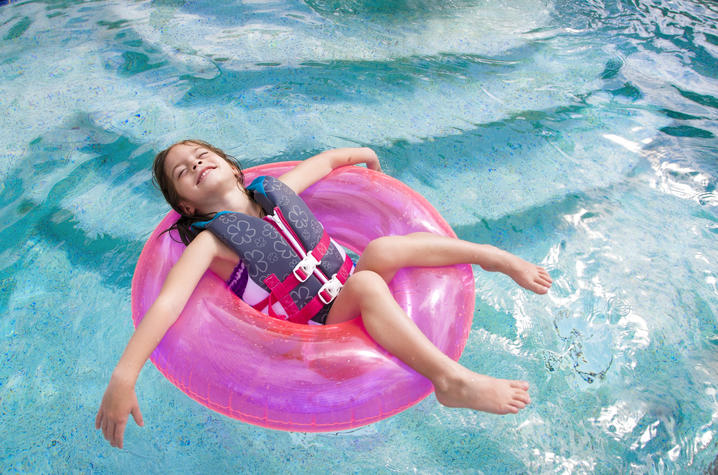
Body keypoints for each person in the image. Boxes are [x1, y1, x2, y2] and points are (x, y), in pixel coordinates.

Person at [96, 140, 553, 448]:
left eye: (200, 154)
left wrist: (364, 154)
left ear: (233, 168)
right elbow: (169, 303)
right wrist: (124, 376)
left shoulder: (276, 192)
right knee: (370, 283)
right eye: (183, 170)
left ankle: (492, 256)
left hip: (345, 281)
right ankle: (451, 381)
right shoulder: (213, 242)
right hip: (314, 323)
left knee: (383, 249)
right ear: (186, 206)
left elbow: (327, 161)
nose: (195, 163)